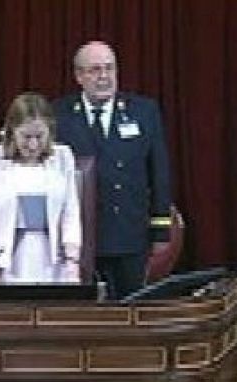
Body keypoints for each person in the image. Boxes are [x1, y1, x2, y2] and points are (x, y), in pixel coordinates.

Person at [51, 41, 173, 299]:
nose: (104, 76)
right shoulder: (58, 115)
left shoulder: (143, 111)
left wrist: (160, 228)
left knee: (131, 312)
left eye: (110, 68)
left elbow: (159, 174)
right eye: (95, 70)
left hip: (129, 232)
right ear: (79, 76)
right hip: (79, 238)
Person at [0, 94, 82, 285]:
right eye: (26, 136)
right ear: (11, 131)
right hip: (5, 265)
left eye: (39, 136)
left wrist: (72, 265)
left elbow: (70, 212)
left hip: (56, 263)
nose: (33, 145)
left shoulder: (63, 157)